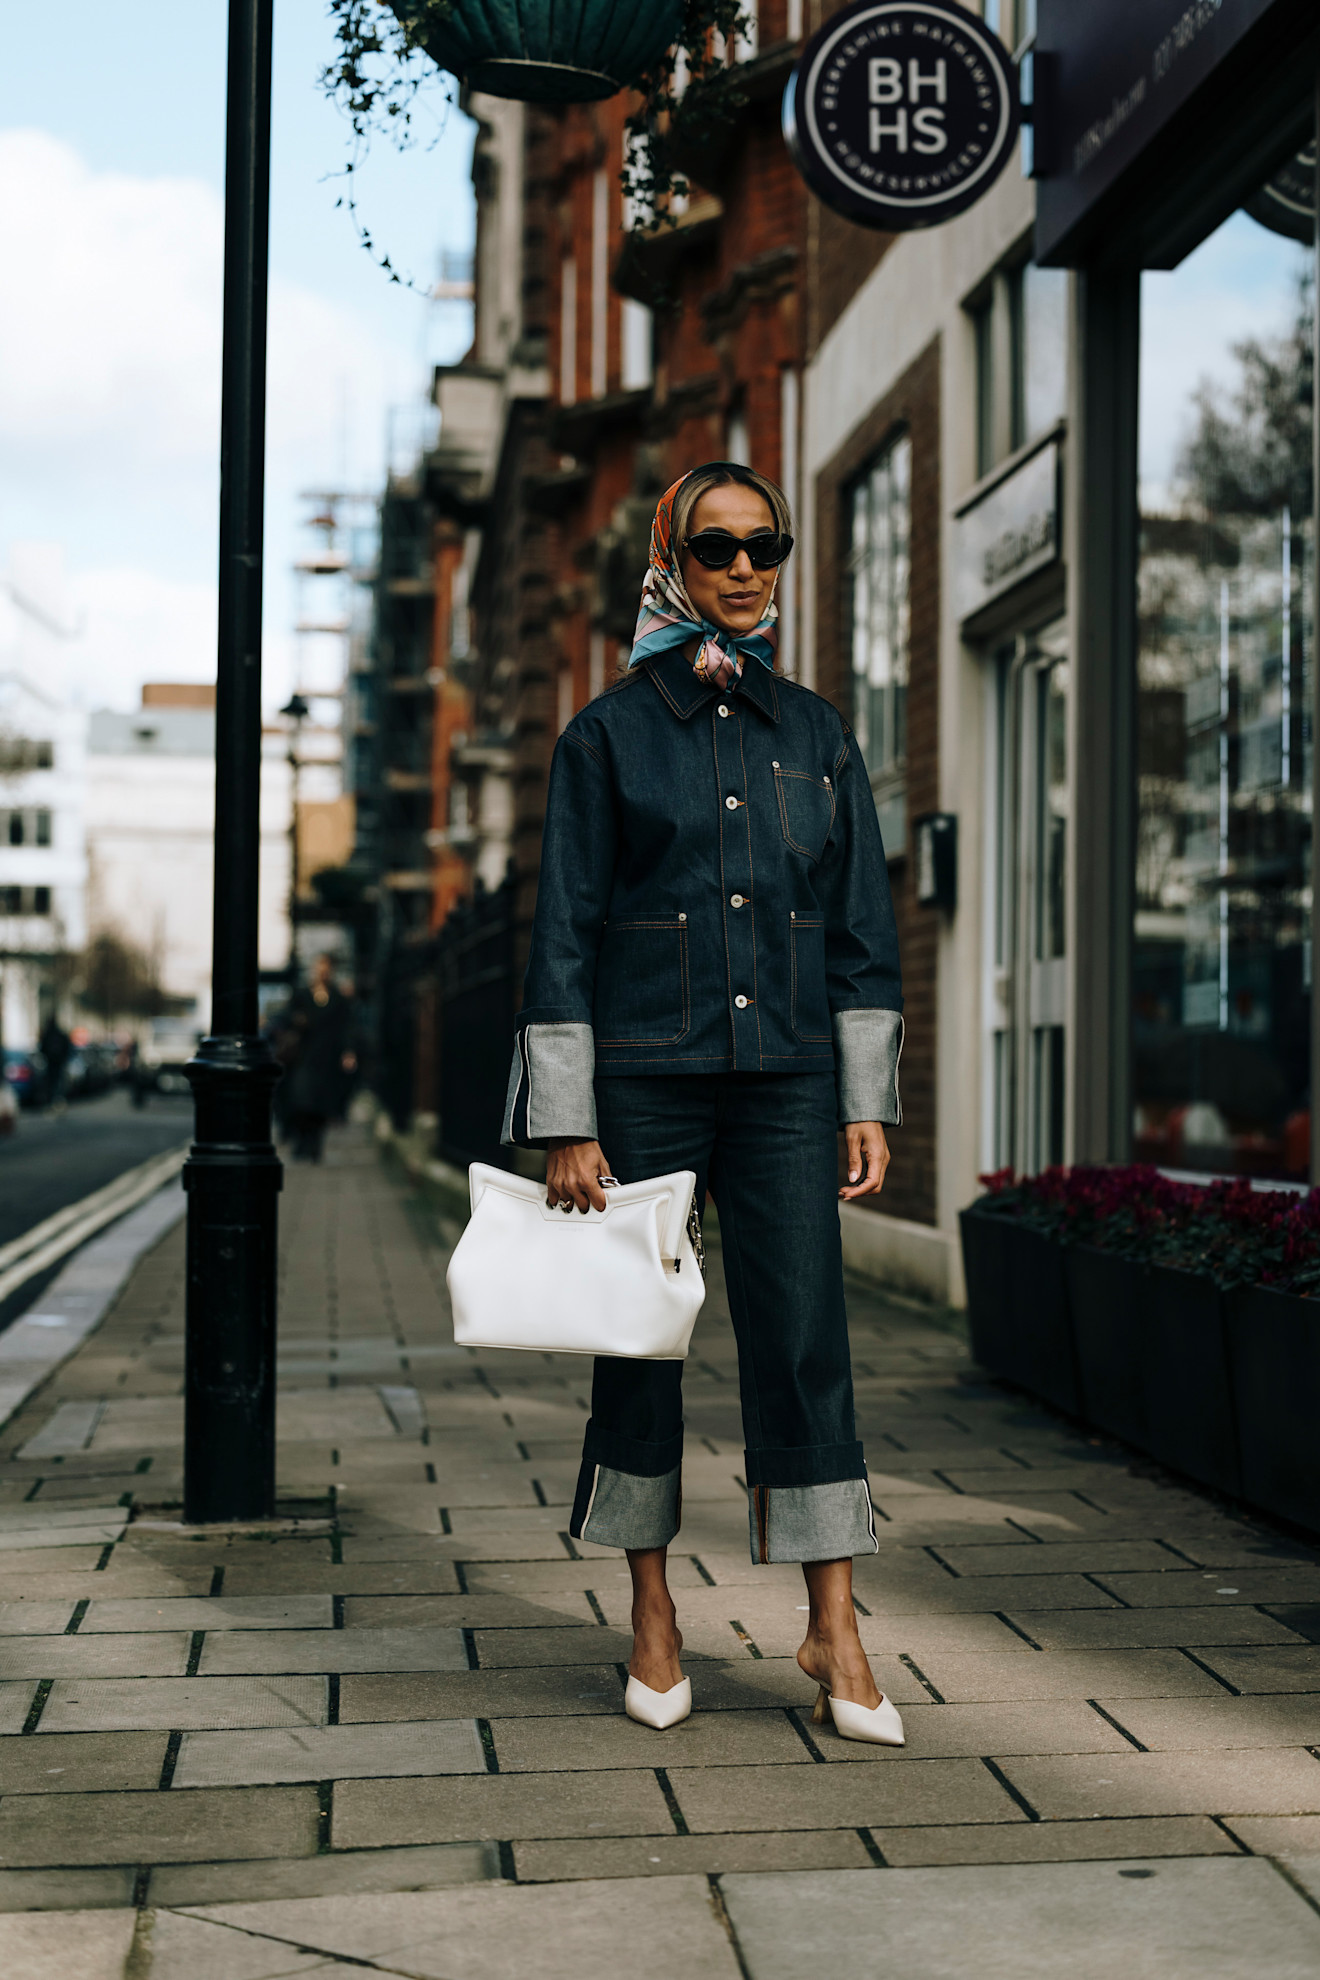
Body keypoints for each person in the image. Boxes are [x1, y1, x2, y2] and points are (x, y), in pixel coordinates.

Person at [502, 463, 905, 1745]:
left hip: (788, 1084)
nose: (744, 566)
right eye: (717, 546)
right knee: (642, 1352)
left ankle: (833, 1624)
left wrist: (865, 1095)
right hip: (645, 1084)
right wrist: (568, 1119)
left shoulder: (820, 733)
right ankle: (653, 1615)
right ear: (675, 558)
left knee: (805, 1346)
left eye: (764, 544)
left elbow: (859, 929)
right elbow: (560, 930)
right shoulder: (605, 737)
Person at [278, 954, 357, 1162]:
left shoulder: (338, 997)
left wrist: (348, 1051)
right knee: (302, 1099)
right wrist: (297, 1020)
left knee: (321, 1103)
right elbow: (286, 1017)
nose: (322, 971)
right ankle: (301, 1142)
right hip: (304, 1054)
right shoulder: (302, 994)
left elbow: (346, 1027)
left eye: (326, 968)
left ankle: (314, 1146)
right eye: (319, 967)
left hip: (327, 1056)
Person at [38, 1013, 72, 1112]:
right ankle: (59, 1102)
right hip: (59, 1062)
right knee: (58, 1082)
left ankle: (53, 1101)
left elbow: (42, 1048)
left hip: (51, 1063)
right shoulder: (60, 1034)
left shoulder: (47, 1034)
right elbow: (67, 1047)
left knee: (51, 1083)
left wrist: (46, 1056)